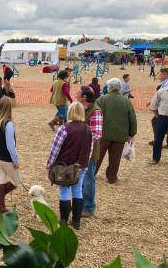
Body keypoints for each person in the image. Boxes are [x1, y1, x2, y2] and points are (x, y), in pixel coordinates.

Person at [47, 102, 93, 230]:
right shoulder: (88, 129)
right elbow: (90, 149)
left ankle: (63, 221)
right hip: (81, 166)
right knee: (78, 190)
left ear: (70, 112)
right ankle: (76, 221)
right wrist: (85, 165)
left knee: (65, 191)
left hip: (65, 165)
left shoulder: (64, 128)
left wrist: (50, 163)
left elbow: (55, 148)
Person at [95, 78, 137, 184]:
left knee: (97, 156)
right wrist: (132, 133)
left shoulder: (102, 99)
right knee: (115, 158)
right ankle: (111, 177)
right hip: (120, 134)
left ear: (109, 87)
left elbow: (94, 114)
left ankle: (91, 174)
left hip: (103, 133)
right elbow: (132, 119)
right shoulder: (126, 101)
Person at [0, 97, 20, 213]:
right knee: (17, 181)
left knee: (1, 180)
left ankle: (0, 206)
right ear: (9, 108)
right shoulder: (8, 124)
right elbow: (11, 146)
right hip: (5, 158)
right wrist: (16, 161)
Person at [76, 86, 103, 217]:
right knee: (79, 179)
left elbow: (96, 134)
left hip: (89, 152)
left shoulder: (95, 111)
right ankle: (79, 204)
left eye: (78, 94)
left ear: (84, 97)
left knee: (88, 179)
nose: (75, 96)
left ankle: (88, 207)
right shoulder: (81, 109)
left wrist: (78, 137)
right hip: (79, 151)